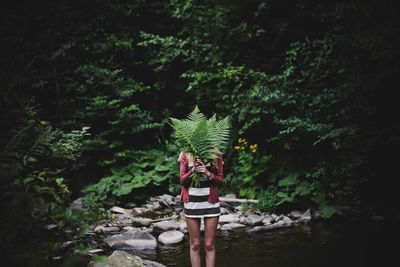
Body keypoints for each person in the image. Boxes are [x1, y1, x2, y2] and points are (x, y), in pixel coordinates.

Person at [179, 151, 223, 267]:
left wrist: (208, 173)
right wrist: (192, 170)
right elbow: (182, 181)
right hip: (192, 204)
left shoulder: (216, 154)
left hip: (210, 204)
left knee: (209, 244)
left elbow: (220, 180)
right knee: (195, 244)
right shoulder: (185, 153)